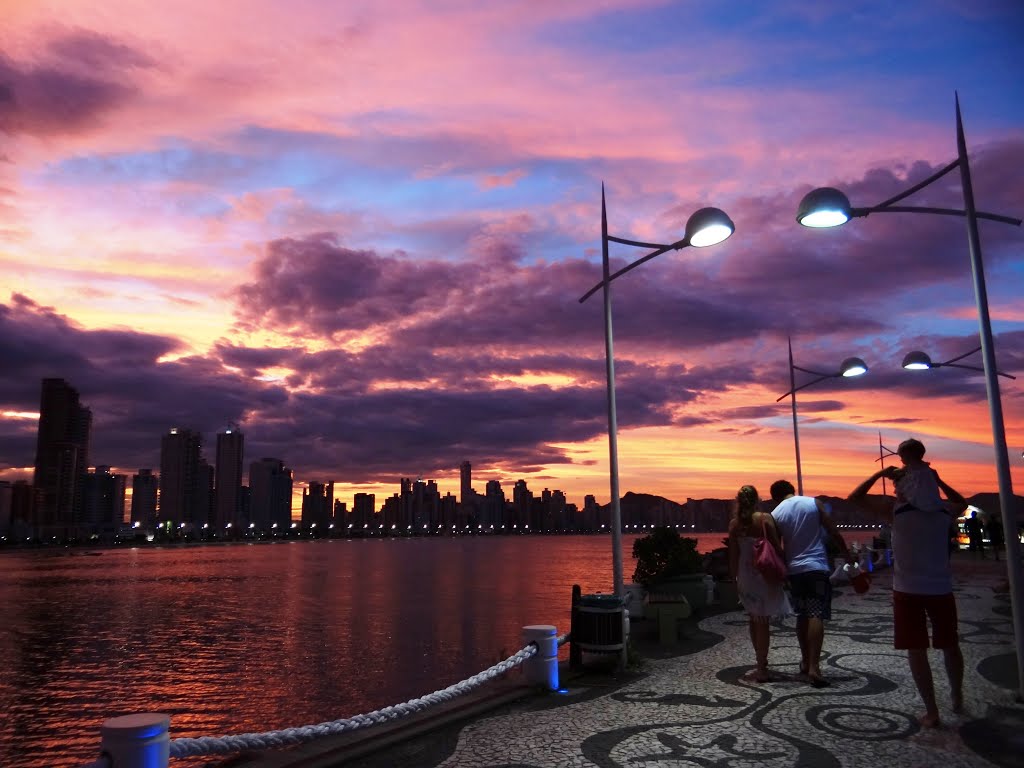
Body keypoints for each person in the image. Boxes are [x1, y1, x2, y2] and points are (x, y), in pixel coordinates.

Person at [848, 437, 967, 728]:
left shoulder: (895, 511)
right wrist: (938, 481)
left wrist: (878, 475)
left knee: (917, 650)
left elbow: (855, 497)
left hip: (908, 590)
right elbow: (962, 503)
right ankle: (957, 695)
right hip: (941, 588)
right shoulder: (942, 511)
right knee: (950, 645)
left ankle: (932, 711)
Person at [770, 479, 848, 687]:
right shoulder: (813, 503)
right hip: (816, 567)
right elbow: (833, 531)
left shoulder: (775, 514)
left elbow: (777, 548)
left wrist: (783, 571)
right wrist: (846, 554)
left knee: (802, 614)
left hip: (794, 571)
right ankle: (814, 667)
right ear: (792, 491)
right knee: (816, 613)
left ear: (775, 496)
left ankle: (805, 662)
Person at [728, 485, 791, 682]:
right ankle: (762, 667)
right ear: (757, 500)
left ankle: (759, 664)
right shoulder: (765, 519)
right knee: (762, 621)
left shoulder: (734, 525)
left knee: (754, 620)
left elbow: (733, 556)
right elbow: (776, 548)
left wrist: (733, 580)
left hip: (746, 579)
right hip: (765, 576)